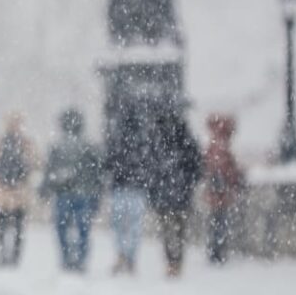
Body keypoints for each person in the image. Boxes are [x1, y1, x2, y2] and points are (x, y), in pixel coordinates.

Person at [40, 108, 103, 272]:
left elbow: (49, 171)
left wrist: (44, 190)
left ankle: (66, 258)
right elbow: (97, 173)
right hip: (84, 193)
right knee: (83, 229)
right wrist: (97, 195)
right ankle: (81, 259)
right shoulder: (90, 146)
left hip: (63, 194)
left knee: (62, 227)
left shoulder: (57, 146)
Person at [147, 114, 202, 277]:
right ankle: (176, 261)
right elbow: (197, 168)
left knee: (168, 230)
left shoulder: (159, 141)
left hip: (166, 194)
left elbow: (152, 169)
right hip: (181, 194)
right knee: (179, 230)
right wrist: (189, 183)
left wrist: (154, 190)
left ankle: (172, 262)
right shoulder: (186, 142)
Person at [105, 107, 150, 275]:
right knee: (134, 226)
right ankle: (130, 256)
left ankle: (122, 254)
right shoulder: (143, 140)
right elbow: (149, 163)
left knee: (119, 225)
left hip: (120, 188)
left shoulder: (116, 138)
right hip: (137, 188)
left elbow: (108, 163)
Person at [0, 112, 35, 267]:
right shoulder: (1, 142)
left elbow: (33, 163)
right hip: (4, 189)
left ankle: (14, 256)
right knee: (2, 224)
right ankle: (3, 255)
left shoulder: (25, 143)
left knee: (18, 224)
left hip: (19, 189)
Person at [203, 113, 243, 264]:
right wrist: (234, 179)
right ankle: (217, 252)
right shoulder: (222, 145)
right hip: (222, 193)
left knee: (214, 222)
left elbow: (208, 165)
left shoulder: (213, 144)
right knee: (220, 222)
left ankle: (214, 250)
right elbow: (227, 170)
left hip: (214, 192)